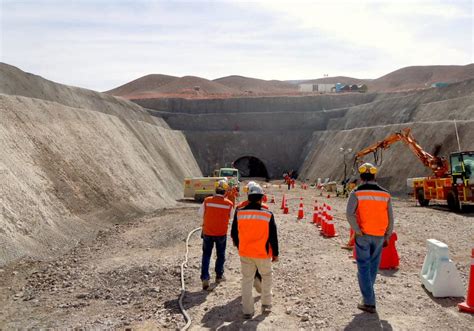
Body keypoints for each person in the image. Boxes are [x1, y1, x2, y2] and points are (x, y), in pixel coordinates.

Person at [346, 163, 394, 313]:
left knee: (363, 267)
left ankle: (369, 302)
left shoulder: (356, 192)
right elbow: (390, 218)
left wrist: (357, 230)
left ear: (361, 177)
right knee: (372, 266)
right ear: (374, 176)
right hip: (380, 235)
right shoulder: (385, 194)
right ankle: (368, 297)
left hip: (364, 235)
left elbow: (349, 214)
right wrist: (388, 234)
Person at [231, 184, 279, 319]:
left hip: (245, 252)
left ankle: (247, 311)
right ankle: (266, 304)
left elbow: (234, 232)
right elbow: (273, 236)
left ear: (249, 197)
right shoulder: (267, 214)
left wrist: (240, 246)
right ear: (261, 199)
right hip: (262, 253)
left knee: (247, 280)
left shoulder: (240, 213)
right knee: (267, 277)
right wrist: (275, 253)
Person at [199, 180, 234, 290]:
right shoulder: (229, 204)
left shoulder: (207, 201)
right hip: (221, 233)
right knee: (221, 254)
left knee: (206, 255)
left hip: (208, 232)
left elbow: (200, 214)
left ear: (215, 189)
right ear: (225, 191)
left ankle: (205, 277)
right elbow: (232, 216)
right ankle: (219, 276)